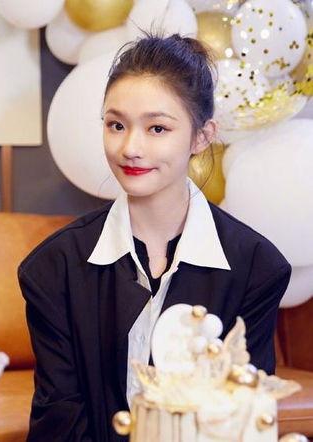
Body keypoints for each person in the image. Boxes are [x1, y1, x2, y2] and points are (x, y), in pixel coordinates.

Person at [17, 30, 292, 442]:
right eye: (116, 125)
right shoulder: (52, 269)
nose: (130, 147)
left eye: (157, 128)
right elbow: (59, 425)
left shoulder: (257, 267)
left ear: (201, 136)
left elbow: (243, 418)